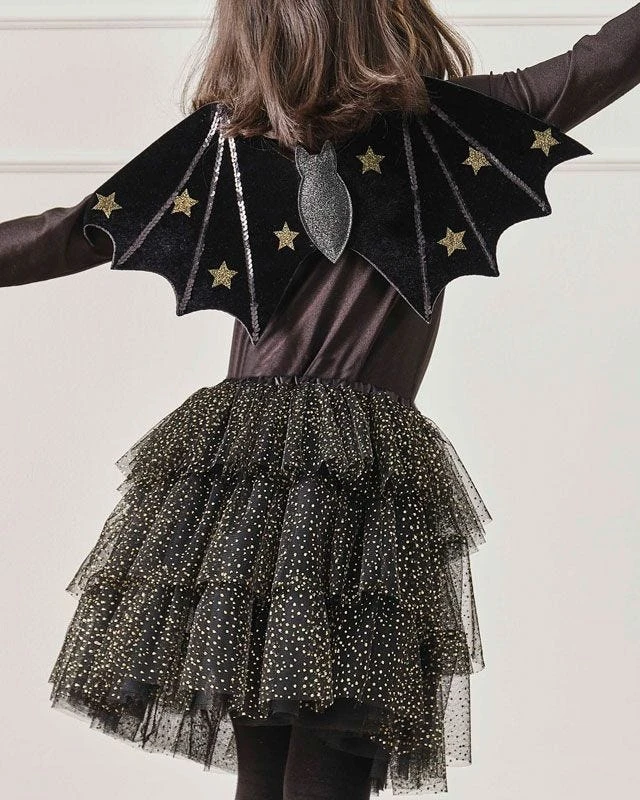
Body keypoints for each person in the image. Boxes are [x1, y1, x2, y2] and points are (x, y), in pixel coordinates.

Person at [1, 2, 639, 799]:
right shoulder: (456, 124)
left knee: (267, 774)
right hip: (359, 482)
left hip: (244, 477)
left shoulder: (227, 143)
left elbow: (65, 233)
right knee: (328, 770)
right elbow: (604, 58)